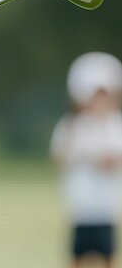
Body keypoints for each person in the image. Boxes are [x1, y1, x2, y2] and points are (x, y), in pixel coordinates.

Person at [52, 52, 122, 268]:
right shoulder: (72, 125)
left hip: (106, 206)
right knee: (78, 255)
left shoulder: (115, 124)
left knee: (108, 255)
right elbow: (60, 156)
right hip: (81, 205)